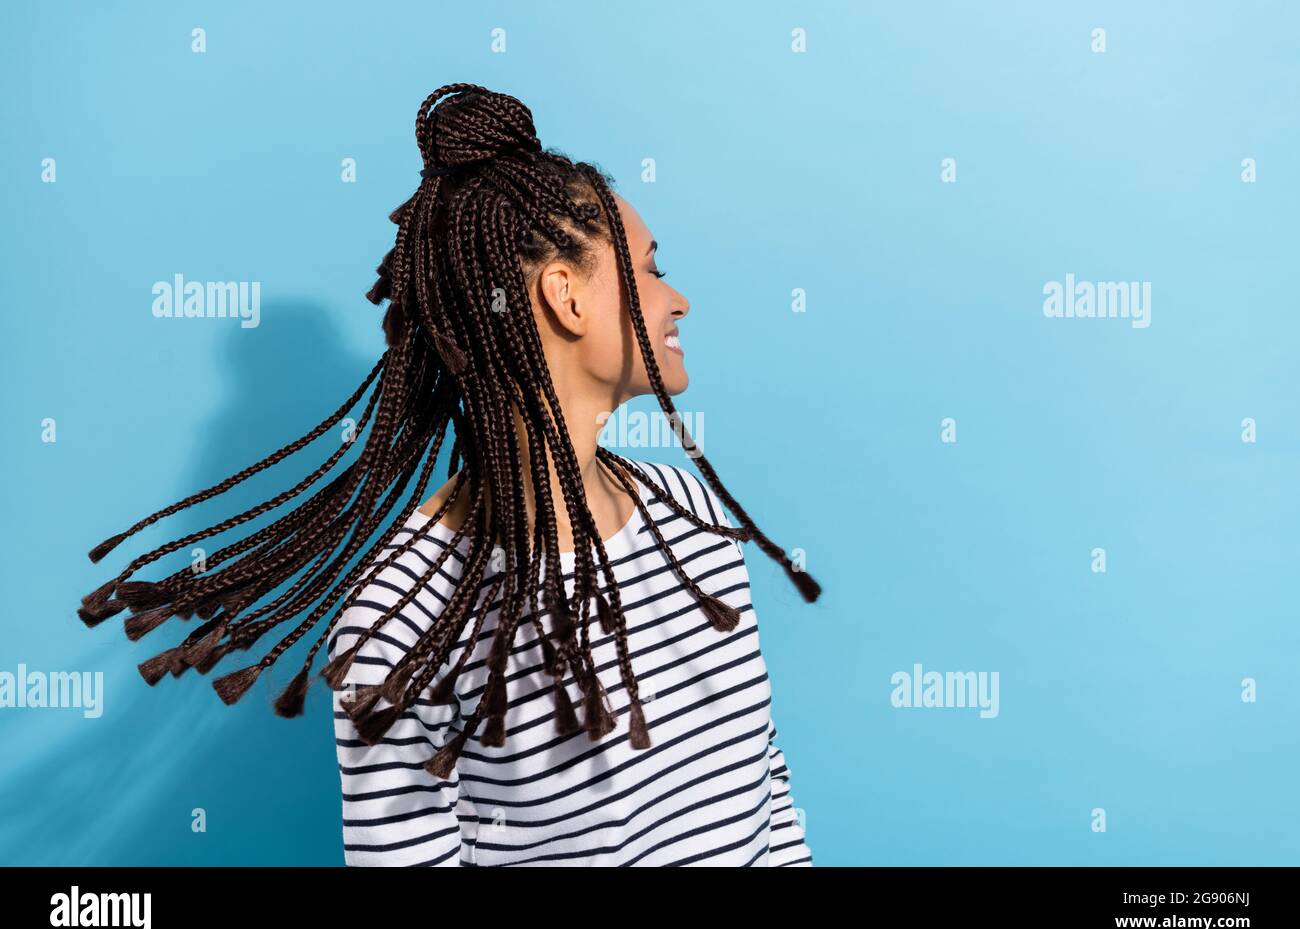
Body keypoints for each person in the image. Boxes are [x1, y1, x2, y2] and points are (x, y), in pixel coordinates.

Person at [78, 83, 821, 867]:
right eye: (649, 267)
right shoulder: (401, 621)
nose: (680, 300)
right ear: (564, 296)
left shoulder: (693, 513)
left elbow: (766, 791)